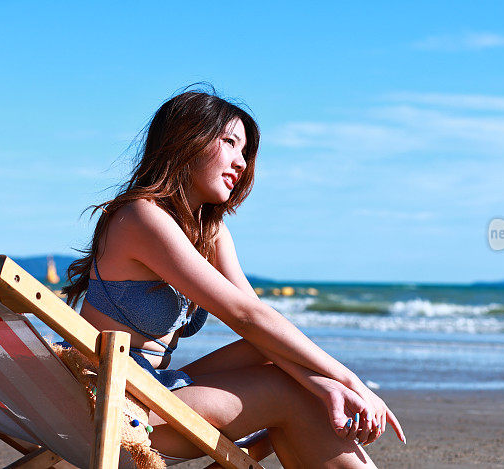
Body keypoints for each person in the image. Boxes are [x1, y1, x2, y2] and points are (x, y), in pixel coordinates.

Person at [61, 85, 404, 467]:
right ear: (186, 140)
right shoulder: (140, 217)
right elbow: (243, 315)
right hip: (107, 404)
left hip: (152, 391)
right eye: (229, 142)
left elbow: (259, 323)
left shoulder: (211, 231)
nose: (241, 162)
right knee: (285, 392)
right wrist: (350, 383)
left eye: (245, 151)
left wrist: (327, 384)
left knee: (274, 354)